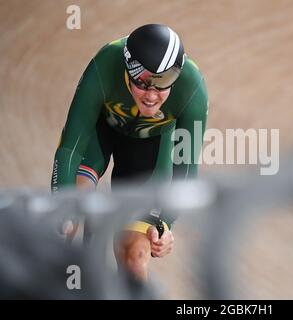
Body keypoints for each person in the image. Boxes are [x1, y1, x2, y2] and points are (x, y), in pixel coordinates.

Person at [50, 24, 208, 282]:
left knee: (135, 257)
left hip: (149, 148)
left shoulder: (193, 88)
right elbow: (70, 149)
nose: (152, 96)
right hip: (101, 130)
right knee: (70, 211)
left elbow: (186, 169)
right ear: (128, 69)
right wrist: (62, 209)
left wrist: (165, 224)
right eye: (143, 83)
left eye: (163, 84)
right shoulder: (106, 62)